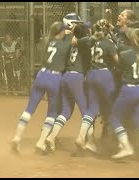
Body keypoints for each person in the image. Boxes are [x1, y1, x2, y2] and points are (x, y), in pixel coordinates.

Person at [11, 21, 71, 154]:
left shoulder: (47, 42)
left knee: (29, 109)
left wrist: (62, 33)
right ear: (61, 32)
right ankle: (40, 142)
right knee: (52, 112)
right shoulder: (66, 44)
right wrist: (70, 33)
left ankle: (17, 137)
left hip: (41, 75)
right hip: (55, 78)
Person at [45, 18, 93, 153]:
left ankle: (51, 137)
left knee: (66, 111)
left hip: (65, 77)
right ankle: (86, 140)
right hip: (76, 77)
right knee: (86, 111)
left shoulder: (69, 43)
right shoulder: (84, 43)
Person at [109, 27, 139, 160]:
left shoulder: (126, 54)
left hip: (128, 89)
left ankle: (126, 147)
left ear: (133, 40)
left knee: (114, 118)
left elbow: (117, 64)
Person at [74, 19, 119, 153]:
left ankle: (81, 137)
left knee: (92, 109)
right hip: (105, 76)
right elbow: (117, 61)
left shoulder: (90, 41)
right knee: (113, 107)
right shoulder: (108, 43)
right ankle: (121, 142)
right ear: (106, 31)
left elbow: (75, 42)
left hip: (91, 75)